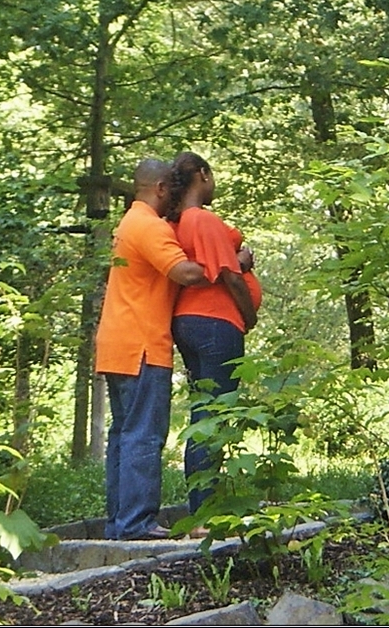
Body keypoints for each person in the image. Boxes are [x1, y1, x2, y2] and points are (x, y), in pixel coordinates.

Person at [95, 158, 207, 540]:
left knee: (124, 435)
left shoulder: (128, 222)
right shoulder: (149, 226)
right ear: (159, 188)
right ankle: (137, 523)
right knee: (144, 434)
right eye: (170, 191)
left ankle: (119, 522)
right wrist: (228, 262)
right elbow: (184, 273)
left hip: (116, 343)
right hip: (142, 345)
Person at [167, 151, 261, 515]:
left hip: (194, 322)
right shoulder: (202, 220)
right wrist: (249, 316)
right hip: (215, 323)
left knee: (205, 412)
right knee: (214, 416)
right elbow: (230, 277)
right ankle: (206, 512)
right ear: (203, 175)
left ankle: (205, 507)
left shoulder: (184, 222)